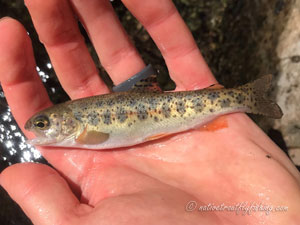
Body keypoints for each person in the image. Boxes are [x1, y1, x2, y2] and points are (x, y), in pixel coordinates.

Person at [0, 0, 299, 224]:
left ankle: (243, 97)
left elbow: (98, 137)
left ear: (65, 120)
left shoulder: (83, 132)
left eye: (43, 123)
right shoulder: (77, 129)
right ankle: (242, 96)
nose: (37, 129)